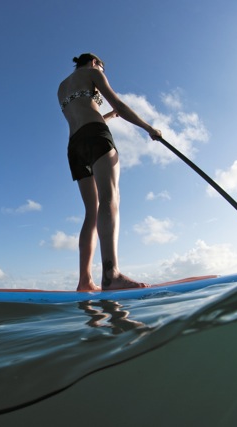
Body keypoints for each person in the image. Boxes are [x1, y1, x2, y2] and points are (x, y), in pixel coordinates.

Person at [57, 53, 162, 291]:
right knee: (110, 198)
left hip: (75, 145)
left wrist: (108, 117)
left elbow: (83, 113)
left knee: (91, 212)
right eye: (103, 69)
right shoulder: (93, 73)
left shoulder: (62, 87)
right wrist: (149, 128)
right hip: (96, 136)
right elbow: (120, 105)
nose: (103, 73)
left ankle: (85, 281)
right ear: (95, 63)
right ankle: (111, 274)